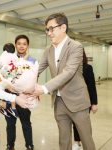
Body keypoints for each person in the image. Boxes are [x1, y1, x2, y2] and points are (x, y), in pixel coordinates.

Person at [32, 13, 96, 150]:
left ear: (63, 27)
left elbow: (69, 72)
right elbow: (36, 69)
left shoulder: (75, 46)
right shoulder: (48, 50)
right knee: (63, 140)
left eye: (51, 29)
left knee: (86, 140)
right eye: (47, 30)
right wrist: (20, 79)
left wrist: (44, 88)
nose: (49, 33)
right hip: (59, 102)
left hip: (77, 101)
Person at [5, 35, 36, 150]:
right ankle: (10, 146)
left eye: (24, 44)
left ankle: (29, 145)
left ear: (27, 46)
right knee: (10, 124)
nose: (21, 46)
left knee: (26, 123)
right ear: (16, 45)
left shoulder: (32, 60)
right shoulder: (9, 60)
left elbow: (34, 77)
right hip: (9, 96)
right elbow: (4, 76)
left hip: (24, 97)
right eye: (19, 43)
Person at [72, 50, 98, 150]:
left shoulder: (87, 68)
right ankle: (77, 142)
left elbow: (92, 86)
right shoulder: (69, 68)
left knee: (83, 124)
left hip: (84, 101)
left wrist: (94, 103)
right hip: (72, 100)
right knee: (75, 123)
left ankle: (87, 143)